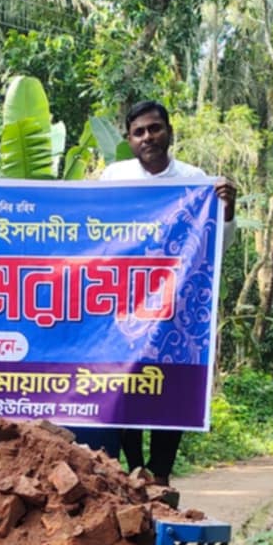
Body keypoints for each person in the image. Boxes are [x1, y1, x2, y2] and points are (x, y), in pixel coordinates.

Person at [100, 100, 239, 484]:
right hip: (124, 303)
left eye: (155, 128)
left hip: (175, 306)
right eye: (139, 132)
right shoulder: (113, 178)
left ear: (169, 131)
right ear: (128, 140)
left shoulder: (196, 180)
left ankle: (160, 476)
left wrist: (226, 210)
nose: (148, 137)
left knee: (169, 386)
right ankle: (131, 473)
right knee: (124, 383)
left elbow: (216, 245)